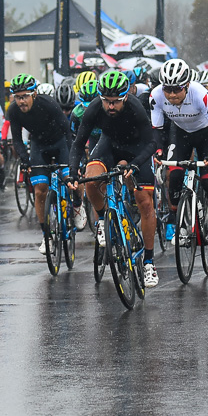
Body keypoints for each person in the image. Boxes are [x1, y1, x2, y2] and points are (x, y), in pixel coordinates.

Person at [72, 69, 160, 288]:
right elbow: (77, 143)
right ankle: (102, 219)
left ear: (126, 97)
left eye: (115, 102)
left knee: (146, 204)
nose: (110, 107)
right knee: (91, 179)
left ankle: (148, 262)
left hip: (136, 149)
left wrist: (135, 164)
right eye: (106, 102)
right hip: (109, 145)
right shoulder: (94, 108)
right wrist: (73, 171)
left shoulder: (136, 108)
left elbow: (151, 144)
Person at [151, 58, 208, 248]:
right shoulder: (156, 96)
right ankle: (182, 225)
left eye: (177, 89)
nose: (171, 94)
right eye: (167, 89)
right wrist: (159, 150)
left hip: (206, 134)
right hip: (180, 134)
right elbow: (157, 129)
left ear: (186, 85)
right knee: (175, 177)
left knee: (207, 181)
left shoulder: (199, 94)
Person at [6, 73, 81, 254]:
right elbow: (16, 139)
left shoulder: (48, 104)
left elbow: (67, 131)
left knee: (71, 179)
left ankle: (78, 206)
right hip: (39, 145)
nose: (21, 101)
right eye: (17, 97)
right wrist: (25, 159)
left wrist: (74, 160)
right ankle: (46, 234)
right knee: (39, 189)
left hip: (60, 143)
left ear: (34, 94)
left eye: (24, 96)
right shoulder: (14, 111)